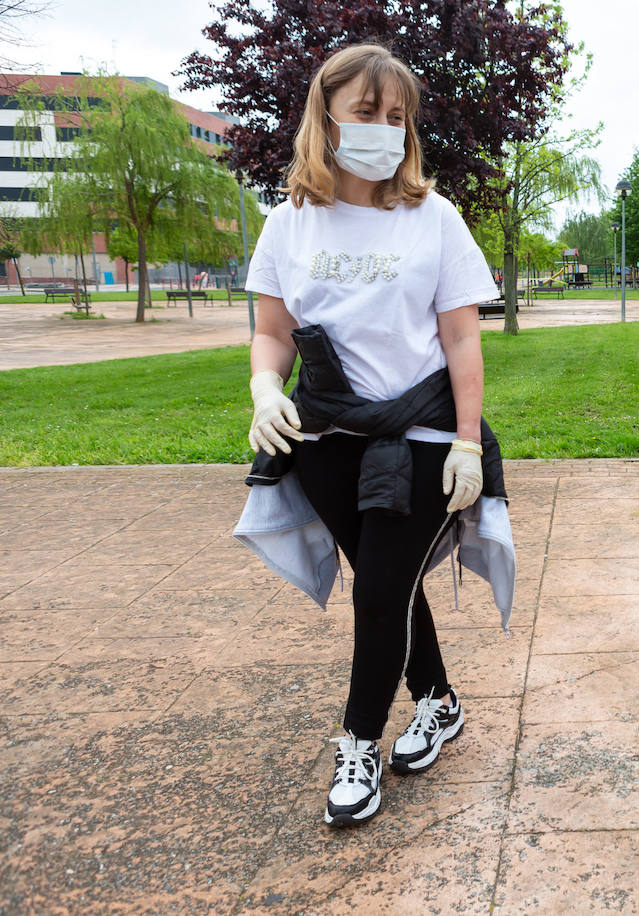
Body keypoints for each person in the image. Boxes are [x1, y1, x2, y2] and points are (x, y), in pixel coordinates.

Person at [243, 44, 501, 827]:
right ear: (326, 117)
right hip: (325, 442)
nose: (384, 130)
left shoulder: (435, 217)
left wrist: (465, 442)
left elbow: (461, 341)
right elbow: (271, 333)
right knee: (388, 587)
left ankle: (358, 743)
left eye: (397, 117)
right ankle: (440, 702)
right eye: (366, 113)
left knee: (382, 590)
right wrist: (262, 387)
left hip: (419, 438)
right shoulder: (289, 222)